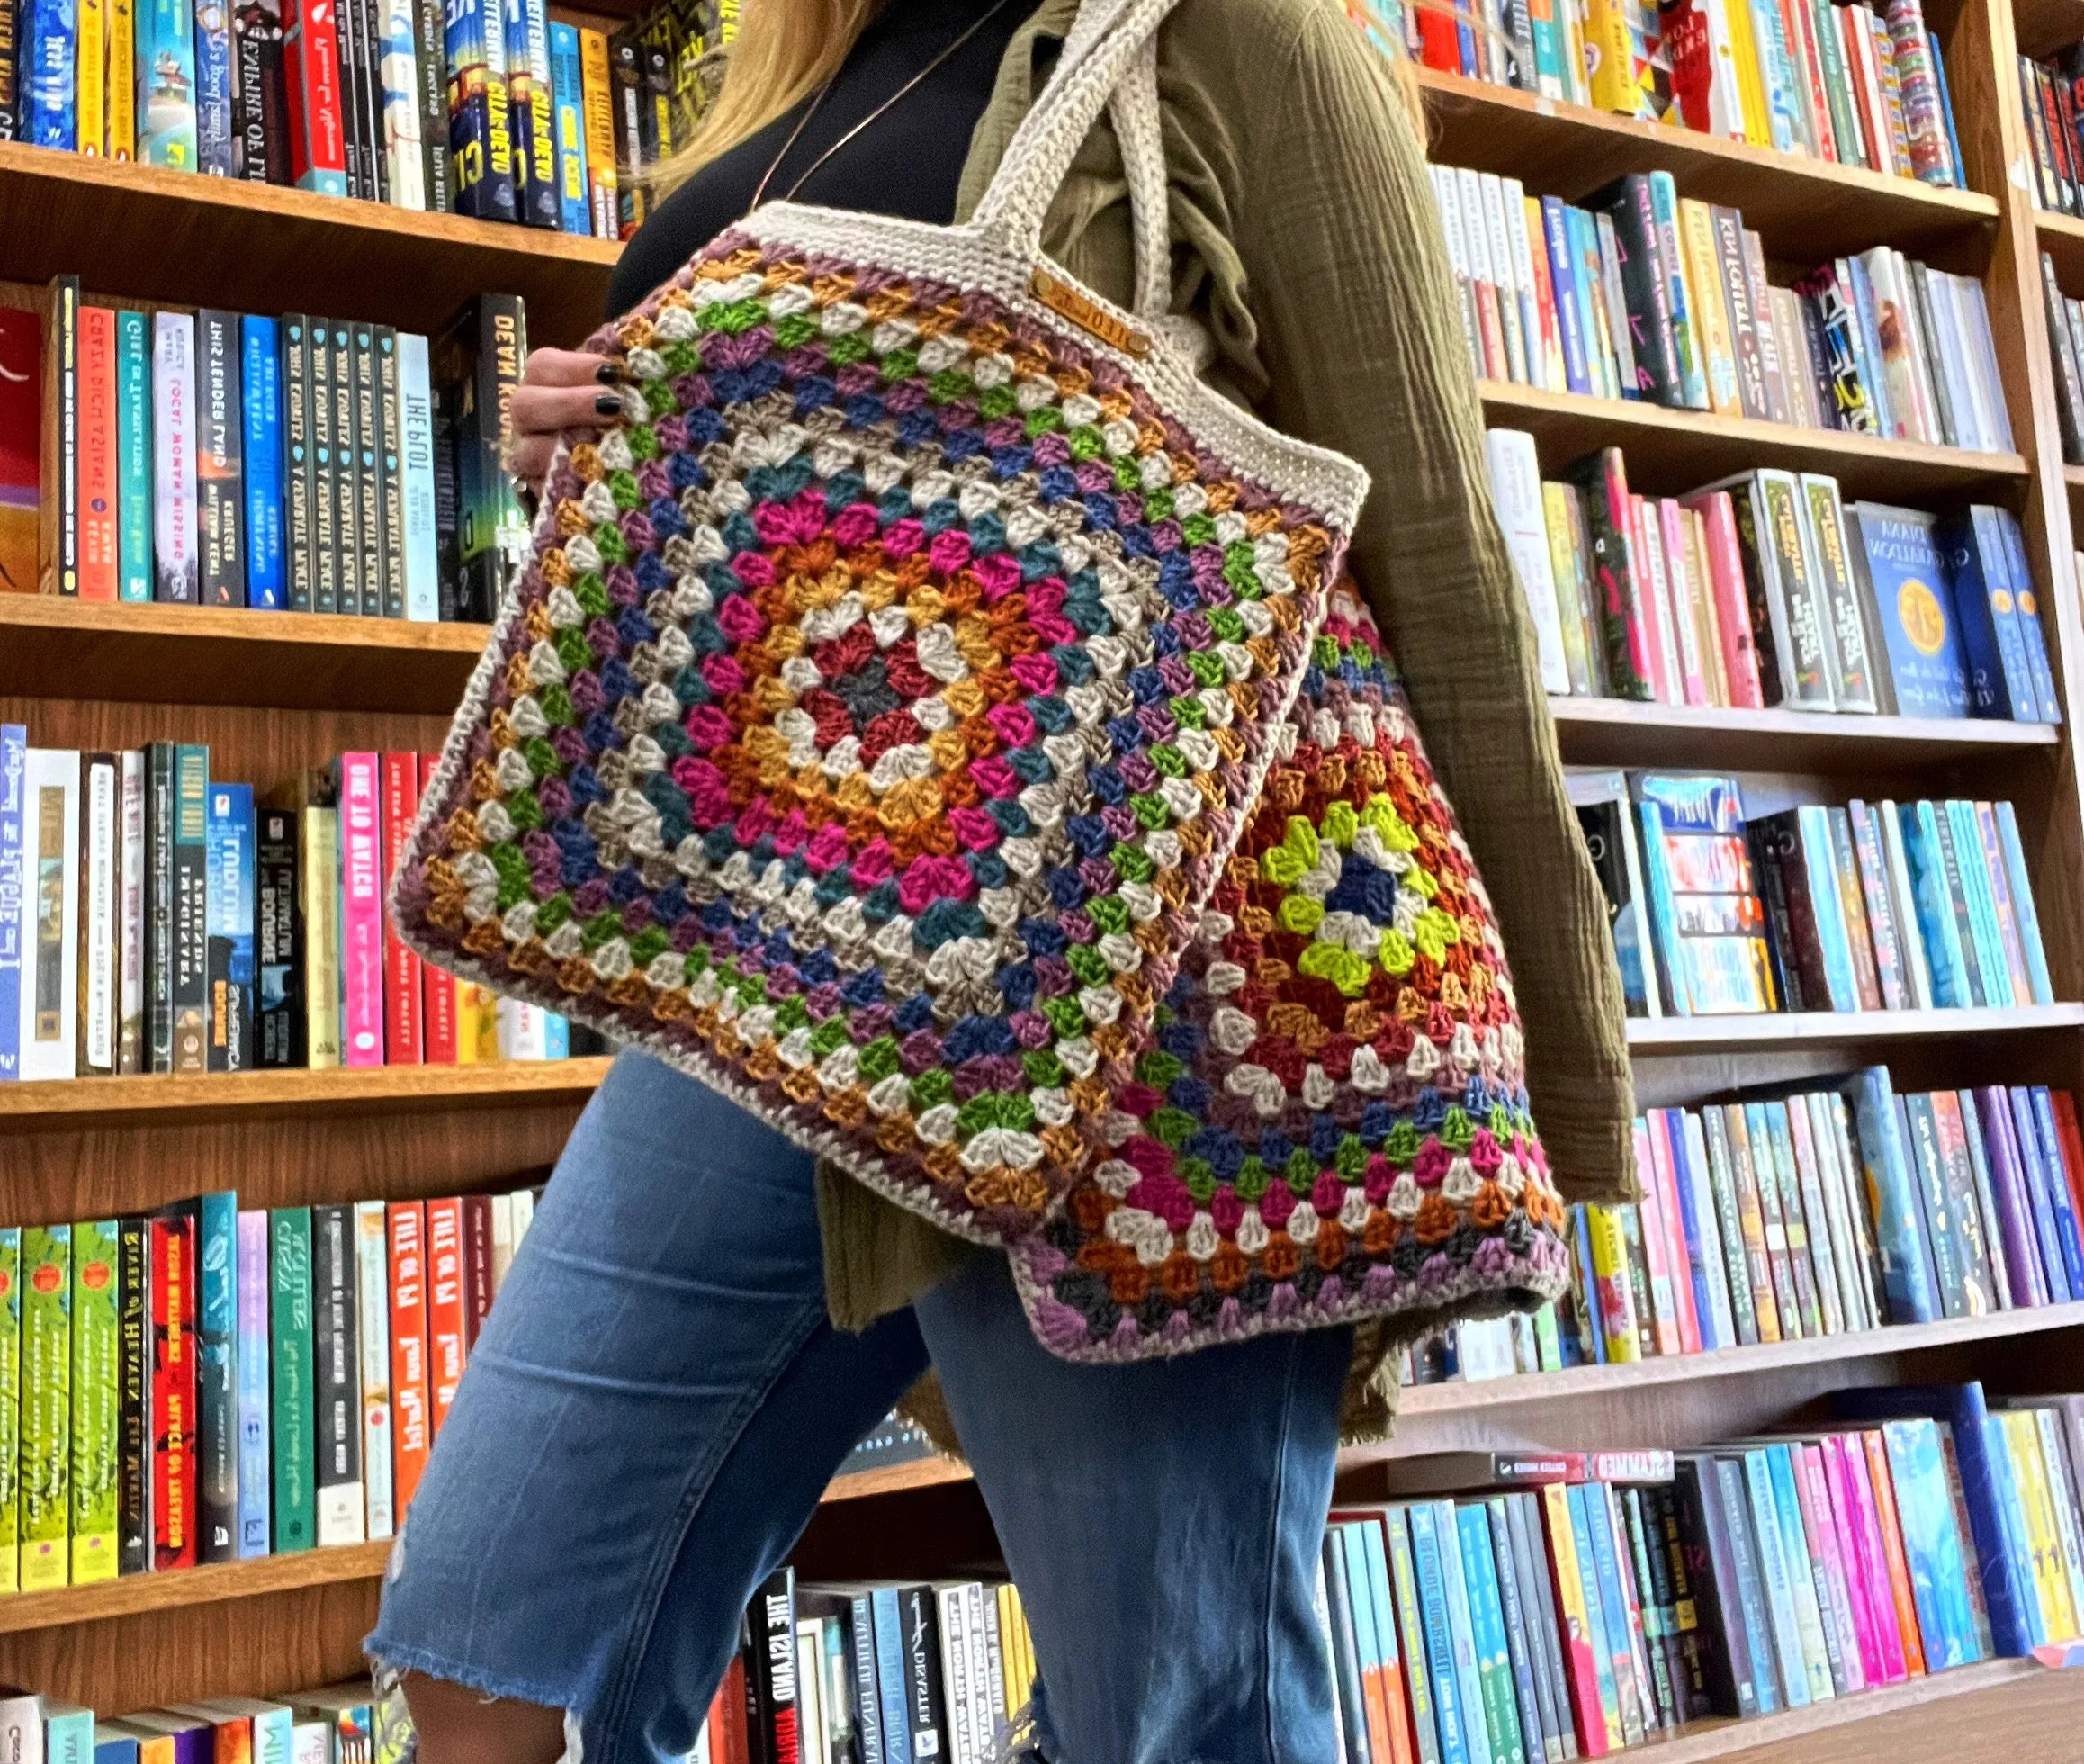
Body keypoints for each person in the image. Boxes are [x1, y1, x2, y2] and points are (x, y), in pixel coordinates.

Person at [369, 1, 1635, 1759]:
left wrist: (1548, 1064)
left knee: (1170, 1710)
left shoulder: (1245, 37)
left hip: (1146, 1016)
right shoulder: (787, 71)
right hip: (771, 956)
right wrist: (587, 448)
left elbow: (1433, 535)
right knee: (497, 1630)